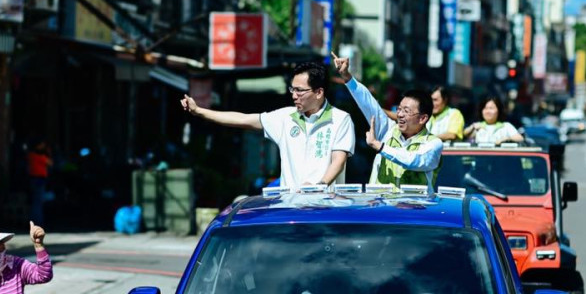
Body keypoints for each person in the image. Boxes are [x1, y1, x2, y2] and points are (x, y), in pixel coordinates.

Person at [180, 62, 354, 189]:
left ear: (319, 93)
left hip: (326, 208)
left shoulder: (340, 119)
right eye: (292, 89)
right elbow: (243, 119)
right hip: (290, 207)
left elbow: (338, 161)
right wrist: (200, 111)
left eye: (300, 90)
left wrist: (318, 187)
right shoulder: (285, 117)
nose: (294, 96)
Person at [332, 54, 443, 192]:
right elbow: (368, 102)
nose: (400, 114)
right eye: (399, 109)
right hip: (381, 208)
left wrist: (380, 147)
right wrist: (347, 77)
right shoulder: (388, 130)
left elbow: (412, 160)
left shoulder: (433, 144)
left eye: (406, 111)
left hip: (414, 210)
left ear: (422, 118)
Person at [27, 139, 53, 225]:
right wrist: (48, 153)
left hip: (34, 179)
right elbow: (50, 163)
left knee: (36, 201)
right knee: (38, 201)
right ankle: (38, 222)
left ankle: (35, 221)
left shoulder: (31, 155)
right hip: (38, 179)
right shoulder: (37, 156)